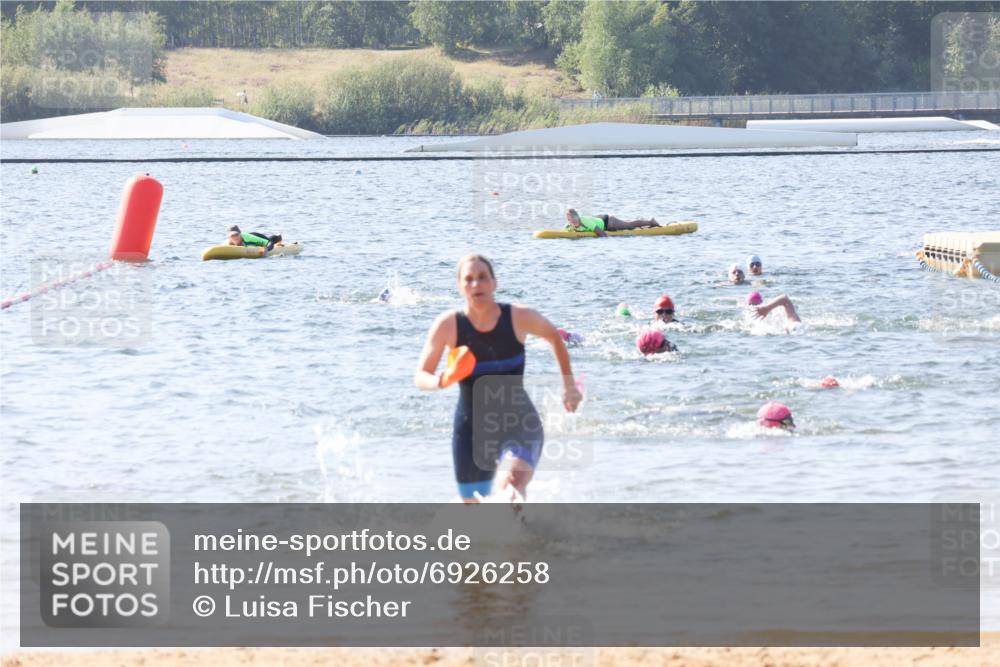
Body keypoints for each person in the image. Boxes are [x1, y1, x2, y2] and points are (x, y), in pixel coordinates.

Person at [415, 254, 582, 503]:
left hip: (520, 423)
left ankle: (522, 540)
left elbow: (553, 336)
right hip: (470, 431)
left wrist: (569, 386)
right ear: (459, 286)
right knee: (474, 508)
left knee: (510, 486)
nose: (476, 284)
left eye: (482, 277)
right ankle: (522, 537)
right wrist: (441, 380)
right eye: (468, 279)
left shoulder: (517, 317)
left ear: (494, 283)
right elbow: (420, 376)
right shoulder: (448, 326)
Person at [564, 208, 660, 236]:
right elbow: (562, 233)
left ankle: (651, 221)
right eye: (568, 219)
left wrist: (612, 240)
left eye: (571, 218)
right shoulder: (569, 225)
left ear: (576, 216)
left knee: (630, 226)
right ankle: (640, 220)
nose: (570, 221)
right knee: (626, 223)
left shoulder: (584, 220)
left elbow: (602, 234)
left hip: (608, 222)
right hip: (598, 219)